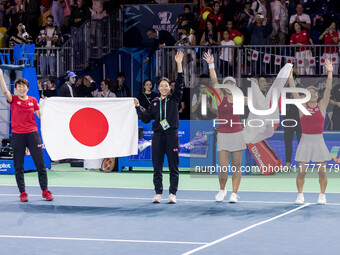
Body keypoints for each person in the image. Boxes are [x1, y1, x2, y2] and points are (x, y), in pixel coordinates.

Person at [134, 51, 183, 204]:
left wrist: (179, 64)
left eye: (166, 85)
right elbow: (146, 118)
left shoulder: (174, 99)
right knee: (157, 166)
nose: (163, 88)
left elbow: (180, 83)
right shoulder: (154, 102)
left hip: (171, 136)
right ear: (158, 87)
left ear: (170, 87)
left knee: (173, 167)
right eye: (161, 86)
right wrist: (137, 107)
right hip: (157, 137)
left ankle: (172, 194)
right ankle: (158, 193)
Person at [0, 71, 53, 202]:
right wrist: (1, 75)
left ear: (27, 88)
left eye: (24, 86)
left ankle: (45, 191)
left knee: (40, 165)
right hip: (18, 136)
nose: (22, 88)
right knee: (18, 166)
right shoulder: (13, 99)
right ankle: (22, 193)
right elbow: (5, 90)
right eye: (19, 86)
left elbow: (40, 115)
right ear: (16, 89)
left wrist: (47, 108)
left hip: (33, 135)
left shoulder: (33, 100)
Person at [203, 52, 247, 203]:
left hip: (237, 134)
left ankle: (234, 193)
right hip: (223, 134)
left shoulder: (241, 99)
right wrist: (211, 64)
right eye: (226, 83)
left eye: (232, 84)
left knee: (236, 166)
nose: (229, 86)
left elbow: (259, 103)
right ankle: (222, 189)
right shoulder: (219, 96)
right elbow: (214, 80)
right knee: (223, 167)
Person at [288, 60, 333, 205]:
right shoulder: (302, 107)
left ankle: (322, 196)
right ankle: (300, 195)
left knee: (322, 172)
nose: (313, 94)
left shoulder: (322, 105)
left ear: (318, 95)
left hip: (319, 141)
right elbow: (294, 92)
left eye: (315, 92)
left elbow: (328, 90)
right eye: (310, 92)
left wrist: (330, 72)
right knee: (301, 172)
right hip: (305, 141)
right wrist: (290, 77)